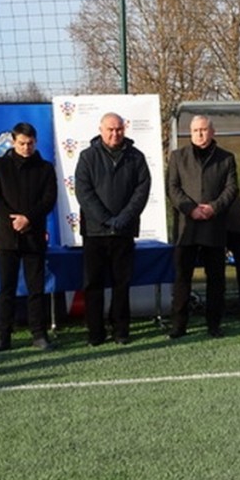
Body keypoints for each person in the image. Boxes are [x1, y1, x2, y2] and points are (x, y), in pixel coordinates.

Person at [74, 112, 152, 346]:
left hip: (124, 232)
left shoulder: (136, 157)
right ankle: (95, 333)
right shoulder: (87, 157)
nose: (114, 133)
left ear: (124, 130)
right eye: (110, 129)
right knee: (93, 284)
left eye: (118, 129)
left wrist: (123, 219)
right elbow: (83, 193)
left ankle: (121, 331)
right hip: (95, 232)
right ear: (101, 130)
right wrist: (106, 219)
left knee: (121, 283)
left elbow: (142, 191)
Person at [0, 122, 58, 353]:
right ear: (13, 142)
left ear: (35, 142)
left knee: (36, 288)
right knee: (6, 288)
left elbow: (49, 199)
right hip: (7, 236)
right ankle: (3, 337)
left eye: (30, 143)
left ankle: (39, 334)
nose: (26, 147)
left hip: (33, 235)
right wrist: (12, 219)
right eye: (22, 143)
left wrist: (28, 218)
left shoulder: (45, 168)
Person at [166, 115, 239, 338]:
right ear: (190, 132)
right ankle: (179, 325)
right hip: (186, 228)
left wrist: (213, 208)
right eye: (196, 130)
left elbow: (231, 188)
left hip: (213, 226)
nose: (200, 134)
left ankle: (214, 324)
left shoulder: (226, 158)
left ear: (212, 132)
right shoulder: (178, 157)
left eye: (204, 129)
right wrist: (191, 208)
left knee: (216, 278)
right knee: (182, 278)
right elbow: (173, 187)